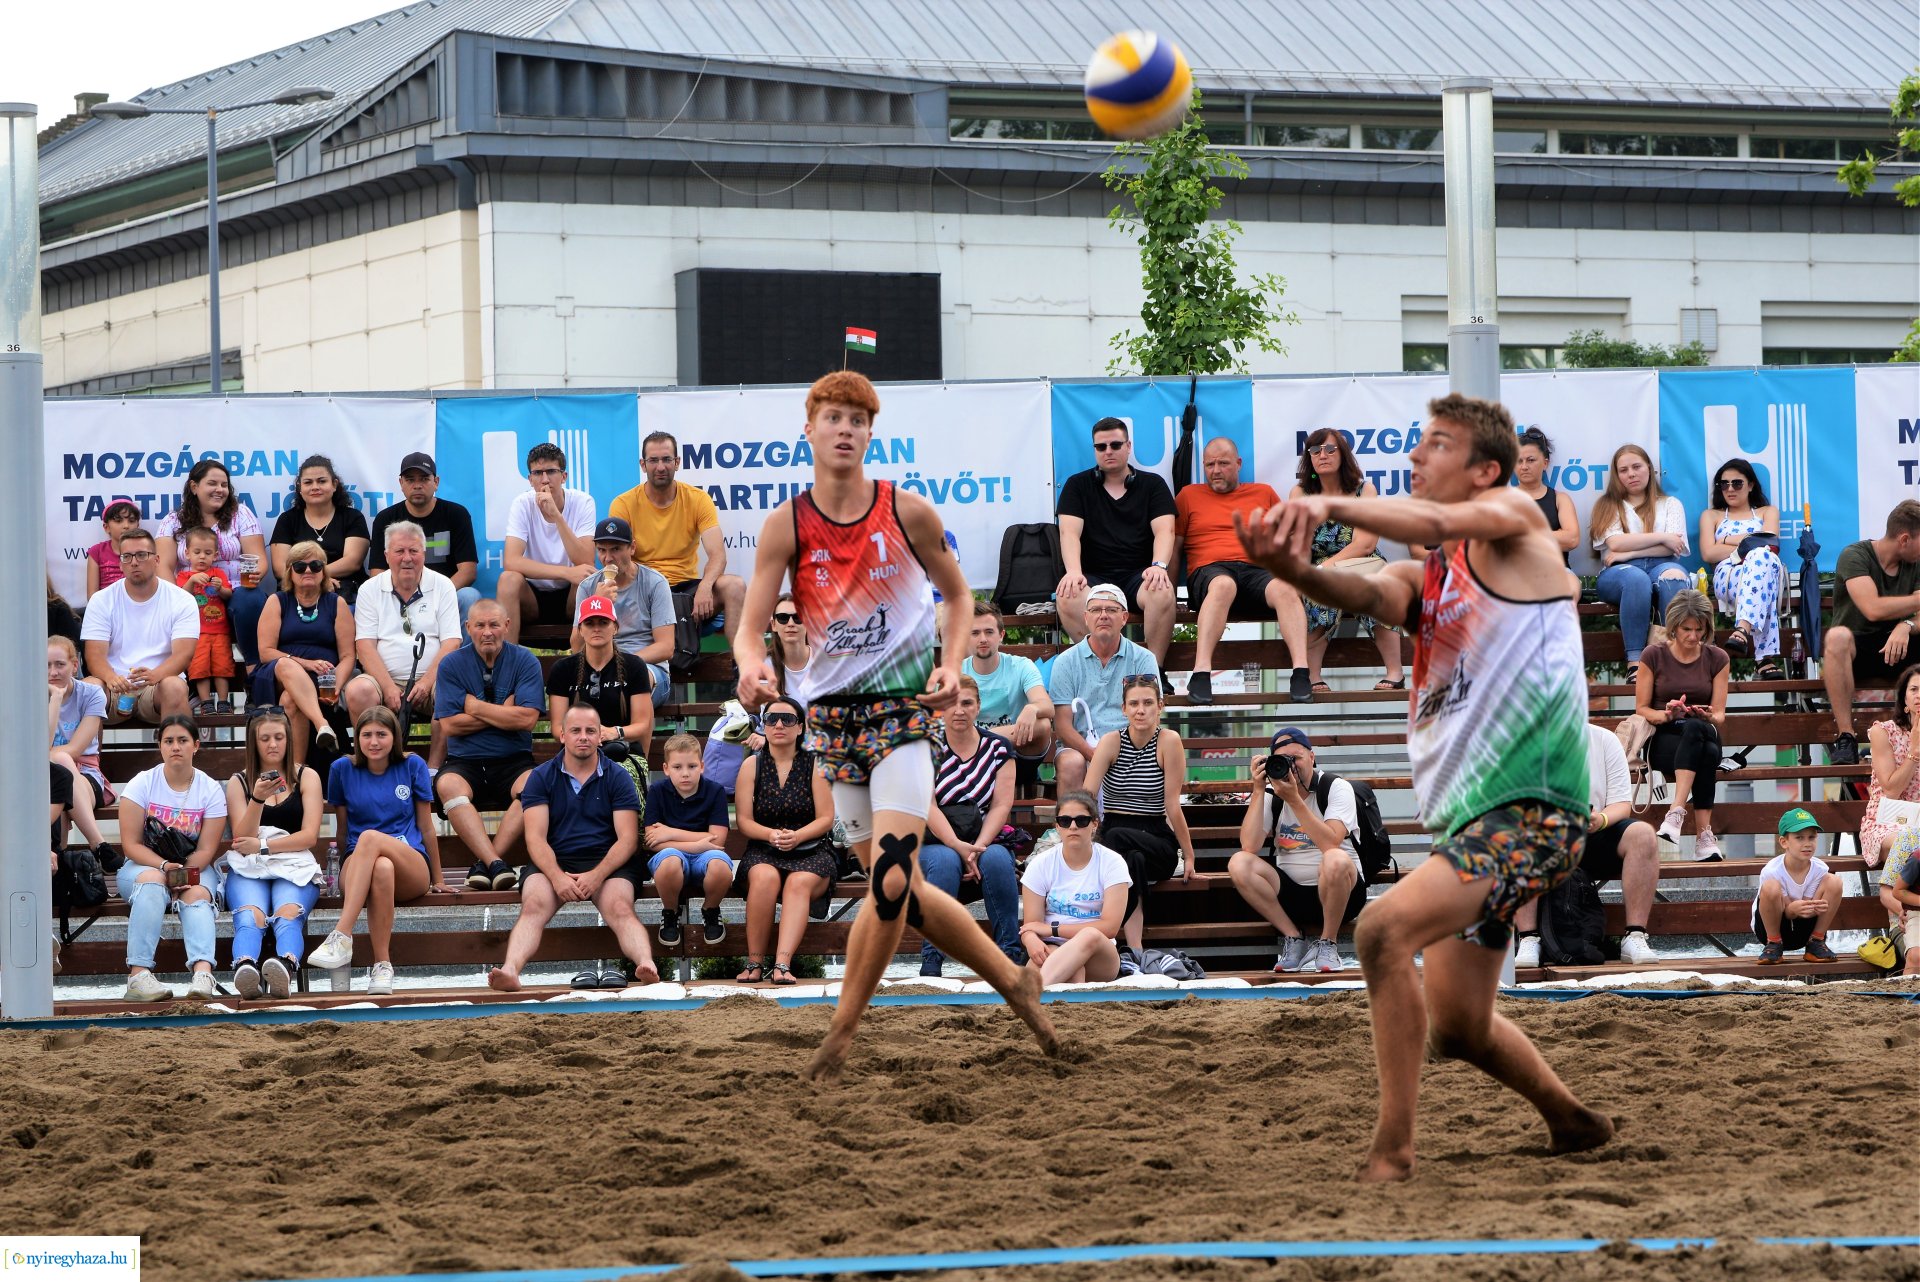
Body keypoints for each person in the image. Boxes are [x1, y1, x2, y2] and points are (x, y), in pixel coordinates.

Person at [1237, 390, 1613, 1182]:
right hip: (1471, 825)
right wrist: (1286, 565)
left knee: (1378, 933)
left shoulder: (1516, 520)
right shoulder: (1430, 572)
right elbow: (1371, 592)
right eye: (1417, 443)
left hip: (1532, 813)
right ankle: (1571, 1121)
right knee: (1460, 1029)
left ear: (1483, 469)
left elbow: (1438, 523)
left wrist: (1326, 500)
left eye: (1435, 445)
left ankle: (1393, 1152)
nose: (1416, 456)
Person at [734, 368, 1056, 1081]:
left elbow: (961, 593)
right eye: (834, 417)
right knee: (902, 894)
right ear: (809, 429)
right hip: (832, 731)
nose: (846, 428)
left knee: (885, 884)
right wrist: (752, 663)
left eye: (858, 419)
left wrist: (948, 664)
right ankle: (1013, 983)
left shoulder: (906, 511)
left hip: (902, 722)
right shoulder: (785, 523)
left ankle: (841, 1033)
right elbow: (750, 629)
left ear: (871, 433)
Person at [488, 704, 657, 993]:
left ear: (599, 737)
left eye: (591, 731)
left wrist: (597, 875)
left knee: (620, 907)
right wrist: (556, 877)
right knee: (533, 906)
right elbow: (536, 840)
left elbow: (627, 840)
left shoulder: (618, 776)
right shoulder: (541, 777)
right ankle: (511, 971)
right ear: (562, 735)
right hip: (555, 859)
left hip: (608, 861)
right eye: (576, 730)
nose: (584, 737)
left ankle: (646, 965)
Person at [309, 705, 448, 992]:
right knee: (380, 865)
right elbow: (343, 831)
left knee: (371, 838)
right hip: (361, 865)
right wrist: (336, 873)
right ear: (357, 738)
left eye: (381, 734)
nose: (374, 742)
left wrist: (439, 880)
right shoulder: (342, 769)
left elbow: (426, 827)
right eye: (367, 734)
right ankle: (382, 967)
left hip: (410, 865)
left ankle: (342, 934)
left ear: (394, 737)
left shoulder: (413, 765)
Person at [1514, 720, 1662, 967]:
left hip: (1594, 834)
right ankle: (1529, 938)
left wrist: (1600, 819)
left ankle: (1634, 935)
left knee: (1643, 834)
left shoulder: (1604, 739)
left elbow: (1622, 804)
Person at [1177, 437, 1311, 704]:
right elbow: (1173, 548)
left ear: (1238, 464)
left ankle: (1301, 672)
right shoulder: (1188, 496)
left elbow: (1290, 535)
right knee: (1224, 585)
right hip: (1210, 570)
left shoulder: (1263, 493)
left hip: (1256, 570)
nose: (1216, 470)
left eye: (1223, 463)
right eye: (1210, 464)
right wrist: (1171, 593)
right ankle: (1201, 672)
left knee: (1285, 588)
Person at [1225, 726, 1365, 975]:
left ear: (1312, 757)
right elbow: (1250, 845)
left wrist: (1294, 801)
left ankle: (1328, 943)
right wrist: (1258, 791)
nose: (1292, 767)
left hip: (1341, 893)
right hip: (1291, 895)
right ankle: (1293, 938)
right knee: (1239, 862)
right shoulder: (1272, 792)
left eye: (1297, 758)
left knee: (1335, 858)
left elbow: (1331, 843)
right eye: (1284, 760)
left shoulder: (1335, 787)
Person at [434, 600, 546, 892]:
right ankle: (496, 863)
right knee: (447, 786)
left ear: (506, 626)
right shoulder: (451, 664)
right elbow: (450, 726)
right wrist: (501, 710)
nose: (487, 632)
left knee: (535, 785)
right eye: (480, 625)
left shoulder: (525, 661)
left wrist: (472, 706)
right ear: (468, 628)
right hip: (464, 760)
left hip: (514, 759)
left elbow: (527, 719)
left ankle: (486, 864)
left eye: (494, 624)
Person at [115, 716, 228, 1001]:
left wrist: (182, 875)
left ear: (196, 745)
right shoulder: (142, 783)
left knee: (198, 892)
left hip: (193, 865)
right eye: (169, 741)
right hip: (144, 865)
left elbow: (206, 850)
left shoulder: (210, 789)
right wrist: (164, 868)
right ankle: (138, 976)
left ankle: (203, 974)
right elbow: (131, 845)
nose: (175, 747)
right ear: (160, 746)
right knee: (153, 883)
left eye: (182, 740)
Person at [1084, 674, 1197, 956]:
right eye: (1133, 703)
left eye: (1148, 703)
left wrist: (1190, 855)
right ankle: (1135, 949)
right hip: (1118, 836)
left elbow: (1173, 805)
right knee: (1131, 861)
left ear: (1160, 706)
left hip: (1155, 837)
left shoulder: (1168, 741)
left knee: (1116, 838)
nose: (1140, 709)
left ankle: (1107, 932)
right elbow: (1086, 797)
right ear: (1123, 709)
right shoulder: (1111, 742)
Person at [917, 677, 1022, 976]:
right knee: (945, 860)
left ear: (978, 707)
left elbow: (1001, 805)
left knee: (1000, 859)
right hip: (935, 838)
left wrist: (977, 848)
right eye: (950, 703)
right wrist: (957, 846)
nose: (958, 710)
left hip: (984, 836)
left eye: (966, 703)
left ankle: (1009, 957)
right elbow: (927, 806)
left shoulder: (999, 748)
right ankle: (932, 960)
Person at [1053, 417, 1176, 662]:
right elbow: (1068, 533)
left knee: (1162, 590)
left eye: (1115, 445)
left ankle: (1153, 672)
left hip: (1139, 577)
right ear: (1095, 450)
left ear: (1128, 446)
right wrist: (1074, 572)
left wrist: (1159, 566)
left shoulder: (1153, 485)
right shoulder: (1077, 485)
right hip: (1093, 577)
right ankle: (1096, 665)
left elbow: (1165, 531)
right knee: (1067, 595)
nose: (1108, 451)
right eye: (1101, 447)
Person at [1290, 428, 1404, 693]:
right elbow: (1301, 544)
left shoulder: (1365, 490)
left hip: (1360, 562)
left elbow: (1365, 544)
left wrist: (1326, 567)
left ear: (1343, 455)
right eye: (1316, 451)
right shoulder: (1301, 494)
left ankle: (1395, 673)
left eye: (1330, 449)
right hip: (1317, 566)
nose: (1323, 455)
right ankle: (1312, 675)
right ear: (1310, 459)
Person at [222, 707, 325, 999]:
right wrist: (257, 798)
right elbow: (243, 837)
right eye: (265, 738)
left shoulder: (307, 777)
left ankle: (285, 966)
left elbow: (309, 836)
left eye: (279, 737)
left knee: (287, 914)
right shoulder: (239, 782)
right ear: (253, 742)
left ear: (288, 738)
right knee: (250, 916)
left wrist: (264, 846)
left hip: (293, 862)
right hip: (249, 865)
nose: (272, 744)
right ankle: (245, 969)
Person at [609, 430, 747, 642]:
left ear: (677, 462)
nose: (661, 466)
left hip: (686, 590)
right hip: (644, 590)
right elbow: (617, 559)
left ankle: (739, 664)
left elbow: (718, 555)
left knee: (735, 586)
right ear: (643, 465)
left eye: (667, 459)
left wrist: (705, 587)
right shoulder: (623, 504)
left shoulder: (698, 499)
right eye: (653, 460)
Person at [734, 699, 836, 984]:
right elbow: (743, 821)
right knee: (764, 878)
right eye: (772, 719)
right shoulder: (750, 766)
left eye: (788, 720)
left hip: (811, 848)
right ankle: (754, 963)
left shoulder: (815, 763)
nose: (779, 725)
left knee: (798, 882)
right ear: (764, 726)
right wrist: (770, 835)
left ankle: (782, 965)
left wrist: (798, 836)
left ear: (800, 727)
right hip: (764, 848)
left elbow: (826, 818)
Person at [347, 521, 462, 766]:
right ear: (387, 556)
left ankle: (433, 770)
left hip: (432, 680)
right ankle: (372, 766)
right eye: (399, 551)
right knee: (357, 691)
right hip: (384, 678)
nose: (407, 558)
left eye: (414, 551)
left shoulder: (443, 585)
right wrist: (388, 687)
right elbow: (365, 646)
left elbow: (452, 641)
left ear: (424, 553)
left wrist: (426, 682)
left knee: (449, 691)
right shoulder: (370, 589)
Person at [1825, 500, 1920, 765]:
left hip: (1899, 647)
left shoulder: (1916, 561)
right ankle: (1846, 736)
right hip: (1858, 651)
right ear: (1904, 539)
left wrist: (1907, 625)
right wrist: (1916, 602)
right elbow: (1873, 608)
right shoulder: (1855, 555)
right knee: (1836, 638)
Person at [1639, 590, 1731, 861]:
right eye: (1686, 629)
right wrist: (1667, 713)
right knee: (1709, 753)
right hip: (1664, 736)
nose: (1693, 636)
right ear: (1673, 627)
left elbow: (1720, 714)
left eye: (1699, 630)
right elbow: (1642, 709)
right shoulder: (1652, 655)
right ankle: (1704, 838)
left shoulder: (1718, 658)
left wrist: (1705, 715)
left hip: (1703, 729)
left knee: (1696, 729)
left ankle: (1675, 813)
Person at [154, 460, 271, 667]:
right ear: (194, 487)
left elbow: (259, 559)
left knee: (249, 598)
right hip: (191, 596)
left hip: (234, 591)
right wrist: (180, 597)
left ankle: (255, 674)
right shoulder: (173, 520)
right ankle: (188, 688)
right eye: (212, 484)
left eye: (224, 485)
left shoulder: (241, 514)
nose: (220, 490)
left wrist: (255, 574)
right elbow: (163, 566)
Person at [1047, 583, 1159, 794]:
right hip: (1080, 746)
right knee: (1071, 763)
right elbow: (1062, 725)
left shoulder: (1144, 659)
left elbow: (1152, 716)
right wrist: (1095, 755)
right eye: (1096, 610)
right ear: (1086, 618)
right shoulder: (1066, 661)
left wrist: (1123, 751)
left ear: (1124, 618)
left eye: (1112, 610)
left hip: (1131, 744)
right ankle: (1072, 824)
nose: (1103, 615)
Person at [1590, 444, 1690, 678]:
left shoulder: (1671, 504)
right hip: (1619, 573)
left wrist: (1629, 552)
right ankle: (1635, 662)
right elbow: (1615, 544)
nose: (1631, 474)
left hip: (1661, 564)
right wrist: (1662, 537)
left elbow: (1676, 548)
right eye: (1623, 470)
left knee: (1674, 578)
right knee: (1637, 580)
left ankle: (1675, 658)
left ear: (1650, 469)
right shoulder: (1607, 505)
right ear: (1617, 475)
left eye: (1636, 467)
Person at [81, 528, 198, 725]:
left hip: (158, 687)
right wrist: (111, 678)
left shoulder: (182, 599)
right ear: (120, 563)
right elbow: (94, 656)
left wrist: (155, 675)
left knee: (175, 687)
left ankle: (176, 755)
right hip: (114, 687)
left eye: (142, 555)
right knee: (90, 688)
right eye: (126, 556)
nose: (134, 562)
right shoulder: (101, 600)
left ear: (157, 560)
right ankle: (87, 757)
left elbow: (183, 655)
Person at [254, 540, 354, 767]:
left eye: (316, 565)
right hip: (277, 675)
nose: (308, 571)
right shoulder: (277, 601)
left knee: (291, 699)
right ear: (290, 571)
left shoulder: (336, 603)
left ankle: (297, 772)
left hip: (323, 680)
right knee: (287, 665)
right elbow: (266, 652)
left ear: (324, 571)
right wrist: (306, 663)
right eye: (300, 566)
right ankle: (322, 724)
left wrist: (336, 683)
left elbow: (348, 655)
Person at [1019, 790, 1129, 986]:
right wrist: (1030, 940)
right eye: (1064, 821)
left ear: (1095, 824)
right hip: (1053, 946)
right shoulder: (1041, 864)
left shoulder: (1112, 862)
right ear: (1057, 826)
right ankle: (1050, 1004)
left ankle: (1033, 993)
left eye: (1081, 821)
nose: (1072, 827)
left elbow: (1109, 928)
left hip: (1099, 955)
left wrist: (1052, 929)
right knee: (1071, 969)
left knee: (1089, 934)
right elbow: (1031, 926)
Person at [547, 595, 655, 794]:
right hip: (576, 752)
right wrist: (587, 738)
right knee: (546, 783)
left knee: (619, 780)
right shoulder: (563, 669)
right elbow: (556, 727)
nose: (596, 628)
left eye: (603, 622)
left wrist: (614, 732)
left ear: (615, 627)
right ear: (580, 629)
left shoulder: (634, 666)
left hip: (623, 753)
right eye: (589, 623)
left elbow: (642, 725)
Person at [498, 442, 597, 643]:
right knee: (508, 579)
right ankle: (506, 666)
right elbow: (511, 561)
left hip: (571, 595)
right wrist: (565, 572)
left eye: (551, 471)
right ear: (529, 479)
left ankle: (588, 668)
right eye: (537, 473)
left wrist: (557, 516)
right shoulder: (522, 503)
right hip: (532, 598)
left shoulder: (583, 502)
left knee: (589, 578)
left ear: (564, 476)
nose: (544, 479)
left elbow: (585, 559)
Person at [644, 733, 735, 951]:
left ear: (702, 766)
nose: (685, 773)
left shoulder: (715, 791)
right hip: (672, 857)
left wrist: (670, 833)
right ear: (666, 769)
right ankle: (670, 912)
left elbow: (717, 840)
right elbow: (653, 841)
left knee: (721, 865)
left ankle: (710, 909)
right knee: (669, 861)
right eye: (677, 767)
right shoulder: (657, 791)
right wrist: (696, 844)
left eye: (692, 766)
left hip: (706, 857)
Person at [368, 452, 481, 621]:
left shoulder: (457, 514)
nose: (417, 485)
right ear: (401, 483)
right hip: (399, 595)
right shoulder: (385, 519)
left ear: (436, 482)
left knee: (469, 596)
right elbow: (378, 572)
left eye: (424, 479)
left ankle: (458, 649)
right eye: (410, 479)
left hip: (444, 594)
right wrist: (406, 596)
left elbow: (467, 571)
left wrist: (433, 595)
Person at [1699, 458, 1785, 678]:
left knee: (1761, 559)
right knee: (1760, 560)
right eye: (1723, 484)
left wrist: (1725, 541)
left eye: (1737, 483)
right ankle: (1764, 658)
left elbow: (1771, 543)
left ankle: (1742, 630)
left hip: (1764, 568)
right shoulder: (1712, 516)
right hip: (1729, 576)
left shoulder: (1768, 511)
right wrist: (1749, 541)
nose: (1729, 488)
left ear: (1750, 485)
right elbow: (1709, 554)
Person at [576, 516, 675, 706]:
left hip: (648, 668)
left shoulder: (655, 583)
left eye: (616, 549)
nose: (608, 558)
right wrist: (596, 603)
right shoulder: (588, 587)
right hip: (598, 667)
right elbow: (576, 645)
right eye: (602, 550)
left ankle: (629, 735)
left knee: (634, 680)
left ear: (632, 548)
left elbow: (666, 647)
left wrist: (620, 663)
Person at [47, 637, 117, 868]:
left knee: (60, 762)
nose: (53, 672)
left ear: (74, 665)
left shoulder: (91, 694)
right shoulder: (30, 697)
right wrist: (55, 700)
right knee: (59, 782)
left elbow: (76, 749)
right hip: (45, 780)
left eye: (59, 664)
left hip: (86, 776)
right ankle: (98, 846)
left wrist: (49, 754)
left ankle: (61, 871)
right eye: (47, 665)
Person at [959, 599, 1053, 767]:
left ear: (1001, 635)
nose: (983, 639)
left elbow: (1047, 706)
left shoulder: (1021, 666)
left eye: (989, 632)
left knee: (1043, 725)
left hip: (1017, 751)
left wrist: (1033, 708)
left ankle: (982, 741)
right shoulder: (957, 671)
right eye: (975, 633)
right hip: (970, 758)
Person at [269, 455, 370, 600]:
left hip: (344, 592)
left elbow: (353, 562)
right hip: (297, 593)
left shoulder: (353, 517)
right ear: (299, 487)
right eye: (308, 482)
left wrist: (316, 575)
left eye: (322, 481)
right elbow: (280, 569)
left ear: (334, 484)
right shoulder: (287, 520)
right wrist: (314, 579)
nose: (315, 487)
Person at [1753, 807, 1842, 964]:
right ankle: (1773, 944)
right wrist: (1793, 909)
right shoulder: (1772, 870)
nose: (1807, 844)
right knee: (1770, 887)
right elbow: (1787, 911)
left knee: (1834, 881)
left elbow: (1808, 906)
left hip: (1804, 928)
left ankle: (1816, 941)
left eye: (1811, 837)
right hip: (1773, 927)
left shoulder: (1820, 869)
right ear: (1784, 842)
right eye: (1799, 838)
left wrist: (1814, 907)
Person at [1861, 662, 1920, 868]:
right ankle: (1894, 896)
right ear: (1904, 697)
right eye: (1914, 689)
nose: (1919, 695)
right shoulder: (1884, 732)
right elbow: (1892, 790)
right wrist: (1914, 752)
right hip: (1887, 823)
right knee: (1911, 843)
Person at [175, 526, 235, 715]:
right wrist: (192, 582)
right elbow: (180, 597)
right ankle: (206, 701)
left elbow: (228, 595)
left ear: (215, 555)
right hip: (196, 633)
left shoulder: (219, 575)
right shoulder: (184, 576)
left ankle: (223, 702)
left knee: (222, 666)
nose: (202, 557)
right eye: (197, 552)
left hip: (220, 630)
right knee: (199, 666)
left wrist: (220, 588)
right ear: (187, 553)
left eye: (207, 553)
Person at [1512, 428, 1578, 566]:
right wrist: (1555, 535)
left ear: (1545, 463)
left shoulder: (1560, 499)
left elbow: (1572, 539)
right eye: (1519, 461)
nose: (1524, 466)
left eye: (1530, 460)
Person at [1877, 827, 1920, 976]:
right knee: (1917, 955)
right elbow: (1887, 893)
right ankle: (1909, 997)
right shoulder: (1909, 838)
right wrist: (1906, 914)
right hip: (1907, 921)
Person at [85, 497, 141, 596]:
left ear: (138, 525)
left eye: (131, 521)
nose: (126, 526)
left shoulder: (146, 551)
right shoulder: (96, 552)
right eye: (118, 521)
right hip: (107, 609)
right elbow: (92, 596)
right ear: (106, 527)